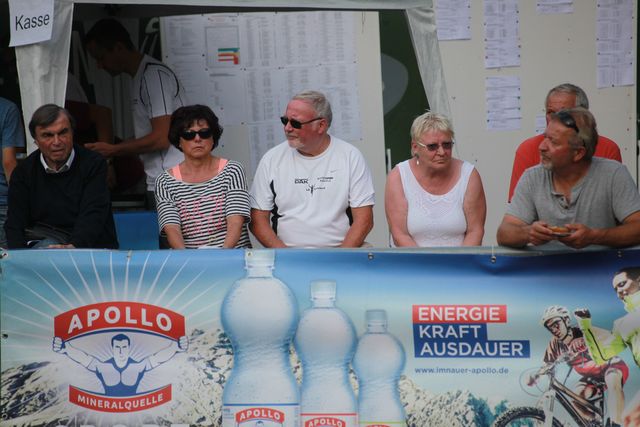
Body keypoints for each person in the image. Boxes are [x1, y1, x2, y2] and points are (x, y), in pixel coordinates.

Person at [497, 107, 640, 249]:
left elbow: (637, 227)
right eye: (545, 137)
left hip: (602, 263)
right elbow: (504, 233)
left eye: (553, 142)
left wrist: (594, 237)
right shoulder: (532, 177)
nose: (541, 147)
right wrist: (528, 233)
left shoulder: (613, 174)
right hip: (545, 263)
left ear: (578, 153)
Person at [83, 18, 187, 209]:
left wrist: (113, 150)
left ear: (119, 47)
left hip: (173, 183)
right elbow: (149, 134)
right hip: (161, 180)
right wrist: (113, 150)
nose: (99, 65)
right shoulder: (140, 76)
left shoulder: (153, 76)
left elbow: (162, 138)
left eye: (101, 57)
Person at [250, 90, 374, 248]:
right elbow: (257, 220)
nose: (287, 128)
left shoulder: (350, 156)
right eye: (284, 120)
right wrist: (286, 256)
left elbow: (364, 220)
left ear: (321, 125)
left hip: (340, 251)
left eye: (295, 123)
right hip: (287, 253)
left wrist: (341, 257)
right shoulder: (271, 159)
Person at [4, 104, 118, 249]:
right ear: (35, 140)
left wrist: (73, 247)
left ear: (72, 133)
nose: (57, 142)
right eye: (47, 135)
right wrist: (20, 257)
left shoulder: (94, 164)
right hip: (45, 242)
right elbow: (15, 222)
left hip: (91, 247)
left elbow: (94, 213)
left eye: (63, 133)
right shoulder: (23, 172)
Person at [155, 105, 251, 249]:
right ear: (178, 140)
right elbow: (172, 228)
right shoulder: (164, 182)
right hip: (190, 260)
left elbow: (235, 222)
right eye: (189, 134)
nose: (197, 139)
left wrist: (222, 256)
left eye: (204, 133)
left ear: (213, 138)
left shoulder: (232, 170)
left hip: (233, 256)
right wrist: (188, 260)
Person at [385, 112, 486, 246]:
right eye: (432, 146)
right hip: (413, 259)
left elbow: (475, 231)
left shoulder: (469, 175)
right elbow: (399, 234)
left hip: (460, 258)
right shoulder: (398, 177)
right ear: (415, 147)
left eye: (447, 145)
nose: (442, 152)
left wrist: (460, 259)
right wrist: (425, 260)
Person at [508, 83, 621, 202]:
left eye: (564, 114)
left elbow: (617, 205)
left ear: (583, 115)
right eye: (551, 112)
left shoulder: (608, 149)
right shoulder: (528, 149)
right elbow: (518, 208)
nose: (555, 119)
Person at [529, 305, 628, 427]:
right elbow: (547, 363)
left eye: (556, 324)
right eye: (549, 327)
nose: (553, 329)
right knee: (576, 400)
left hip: (610, 365)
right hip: (591, 376)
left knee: (613, 381)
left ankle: (616, 423)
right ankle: (594, 422)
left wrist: (584, 340)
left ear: (566, 320)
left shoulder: (582, 329)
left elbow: (609, 339)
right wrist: (536, 376)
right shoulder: (555, 343)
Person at [53, 332, 188, 396]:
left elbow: (157, 358)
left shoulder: (137, 367)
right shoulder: (104, 367)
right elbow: (84, 358)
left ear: (129, 348)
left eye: (124, 347)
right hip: (106, 415)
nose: (121, 351)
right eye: (117, 347)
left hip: (134, 415)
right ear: (112, 348)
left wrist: (175, 348)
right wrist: (66, 349)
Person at [0, 97, 24, 248]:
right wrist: (20, 203)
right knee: (6, 260)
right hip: (2, 202)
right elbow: (8, 161)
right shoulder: (7, 108)